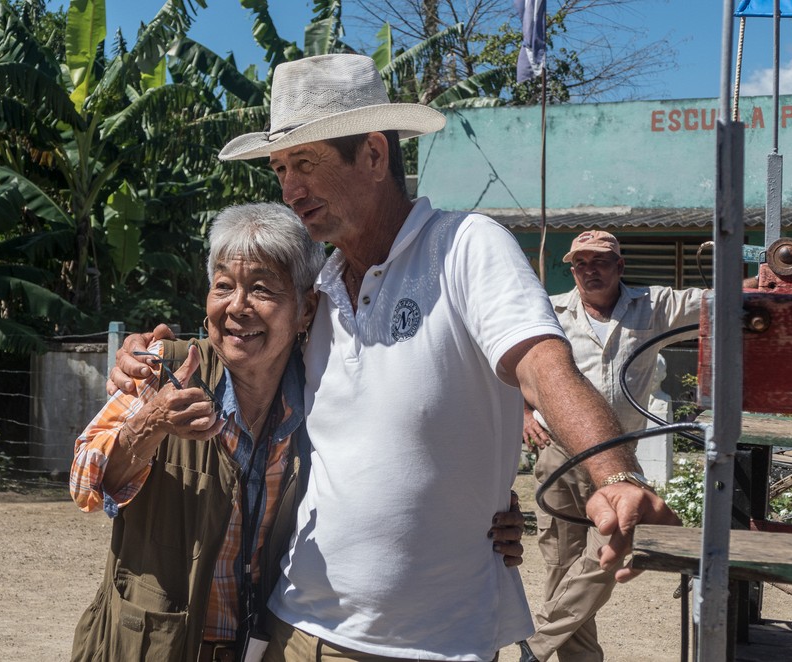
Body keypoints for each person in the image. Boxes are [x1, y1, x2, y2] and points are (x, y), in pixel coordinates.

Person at [111, 54, 680, 662]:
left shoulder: (465, 246)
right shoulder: (318, 294)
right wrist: (144, 355)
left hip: (439, 643)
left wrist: (612, 472)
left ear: (376, 155)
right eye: (280, 168)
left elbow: (542, 363)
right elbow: (238, 341)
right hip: (295, 629)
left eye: (306, 163)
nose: (289, 189)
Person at [70, 202, 525, 662]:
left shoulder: (319, 390)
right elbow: (85, 482)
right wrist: (150, 425)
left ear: (307, 308)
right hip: (151, 645)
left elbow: (399, 454)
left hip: (265, 643)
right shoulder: (166, 369)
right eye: (223, 286)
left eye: (262, 289)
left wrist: (485, 517)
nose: (237, 307)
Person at [522, 230, 703, 662]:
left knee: (610, 550)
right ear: (572, 270)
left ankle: (537, 643)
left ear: (619, 266)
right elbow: (513, 363)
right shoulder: (549, 310)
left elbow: (715, 299)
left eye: (600, 262)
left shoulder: (653, 305)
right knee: (562, 564)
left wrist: (772, 277)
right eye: (581, 263)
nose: (590, 270)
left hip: (619, 457)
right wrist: (522, 414)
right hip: (559, 451)